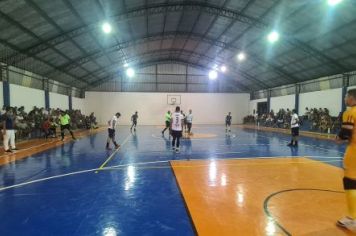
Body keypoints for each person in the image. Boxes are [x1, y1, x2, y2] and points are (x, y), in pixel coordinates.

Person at [336, 89, 356, 232]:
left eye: (346, 96)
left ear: (352, 98)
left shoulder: (349, 113)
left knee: (350, 183)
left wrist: (338, 139)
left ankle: (352, 219)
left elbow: (345, 135)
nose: (344, 99)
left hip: (354, 152)